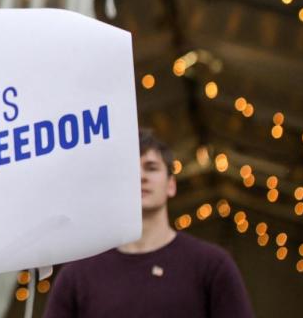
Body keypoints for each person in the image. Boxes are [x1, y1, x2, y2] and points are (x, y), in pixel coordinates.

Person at [42, 130, 254, 317]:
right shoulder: (77, 275)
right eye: (130, 171)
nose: (141, 177)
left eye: (151, 168)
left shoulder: (212, 265)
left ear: (171, 185)